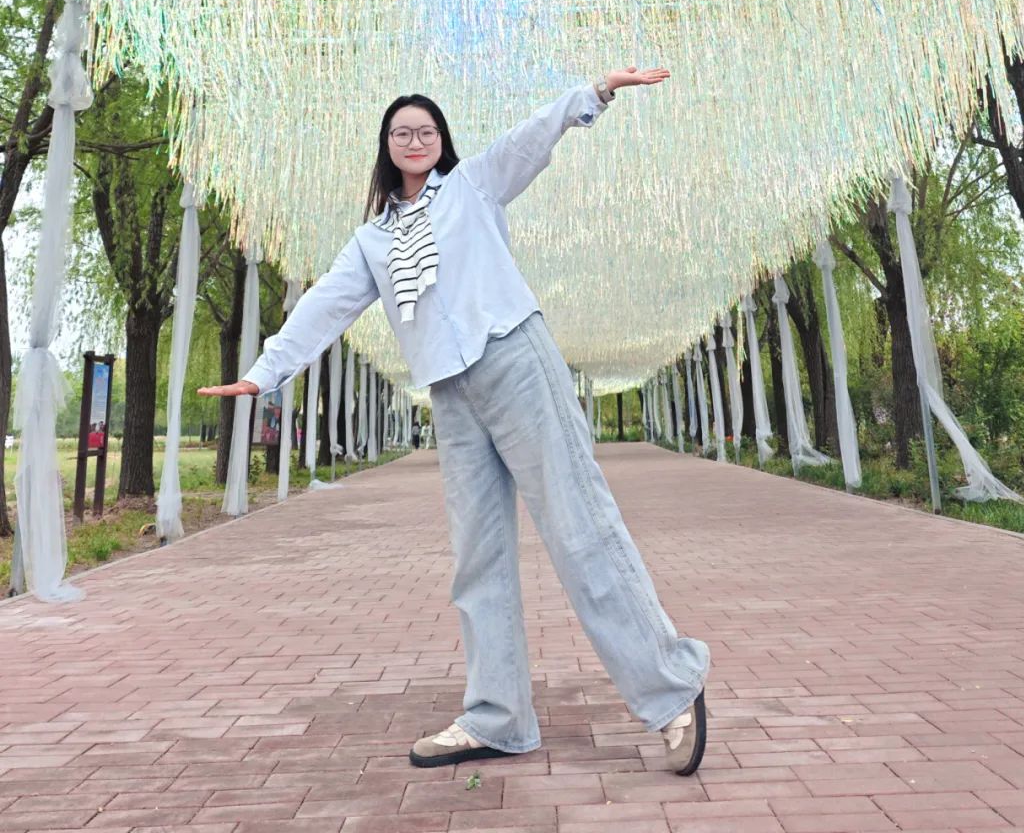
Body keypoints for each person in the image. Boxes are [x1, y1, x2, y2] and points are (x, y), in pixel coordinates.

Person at [199, 69, 709, 775]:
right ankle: (499, 716)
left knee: (579, 528)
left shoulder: (472, 185)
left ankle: (671, 688)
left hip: (514, 357)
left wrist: (591, 93)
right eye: (401, 132)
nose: (415, 140)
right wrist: (265, 371)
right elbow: (327, 304)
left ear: (441, 140)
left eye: (427, 130)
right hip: (450, 390)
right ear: (386, 146)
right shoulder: (372, 241)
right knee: (478, 557)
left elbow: (529, 139)